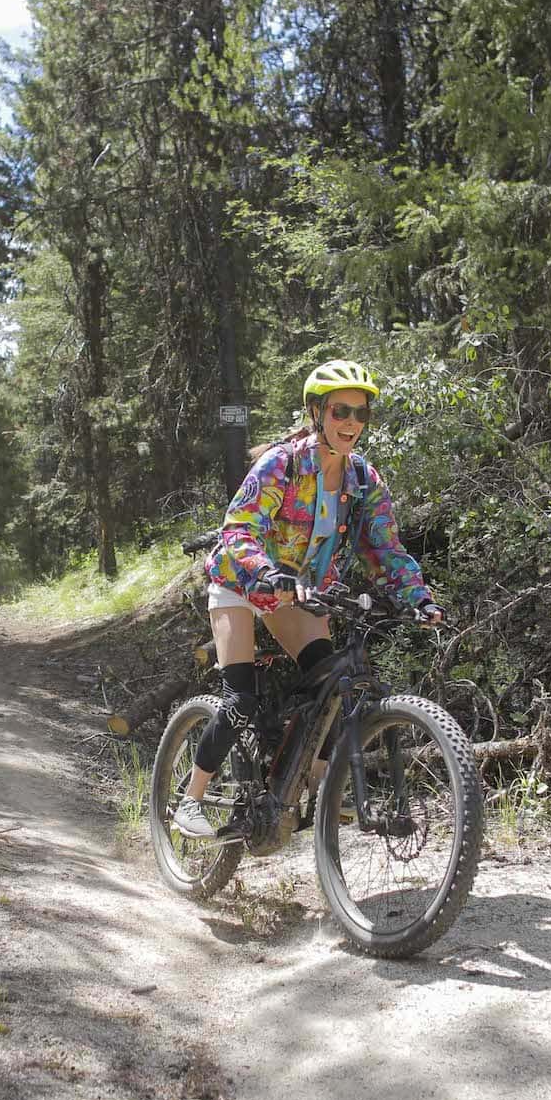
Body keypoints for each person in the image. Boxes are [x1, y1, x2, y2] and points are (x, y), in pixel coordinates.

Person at [173, 360, 444, 839]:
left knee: (334, 689)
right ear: (317, 412)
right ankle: (191, 799)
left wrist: (417, 597)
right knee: (239, 700)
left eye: (361, 415)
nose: (352, 423)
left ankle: (314, 796)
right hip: (243, 582)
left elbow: (384, 547)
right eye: (341, 411)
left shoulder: (363, 479)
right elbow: (240, 531)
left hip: (300, 592)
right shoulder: (283, 463)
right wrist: (267, 570)